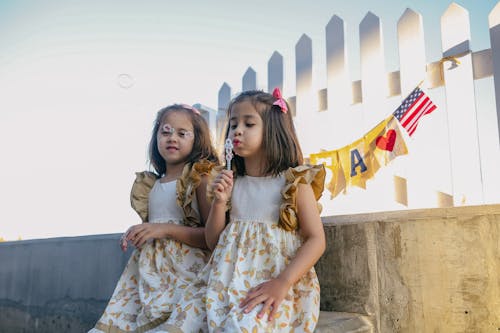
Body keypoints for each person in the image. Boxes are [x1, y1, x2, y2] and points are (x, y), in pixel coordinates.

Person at [163, 89, 326, 332]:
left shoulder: (293, 183)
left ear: (273, 130)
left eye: (249, 124)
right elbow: (214, 241)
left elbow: (316, 239)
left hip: (271, 285)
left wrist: (282, 282)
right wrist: (219, 203)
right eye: (233, 124)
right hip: (223, 282)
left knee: (242, 326)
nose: (237, 130)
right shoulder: (231, 183)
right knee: (180, 323)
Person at [89, 104, 219, 333]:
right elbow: (155, 226)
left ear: (197, 139)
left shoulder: (200, 178)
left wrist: (164, 230)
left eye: (182, 133)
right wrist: (139, 232)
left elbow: (212, 237)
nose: (172, 138)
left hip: (185, 276)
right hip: (147, 277)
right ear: (156, 136)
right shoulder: (151, 184)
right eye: (165, 131)